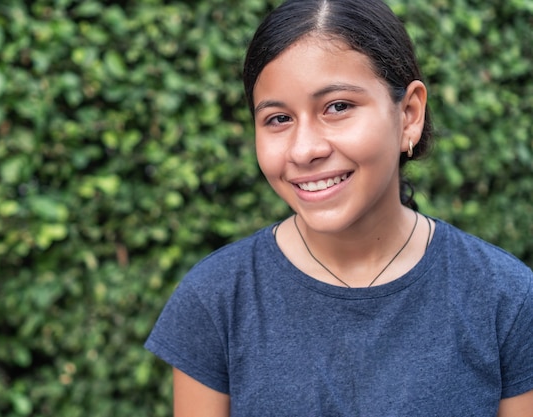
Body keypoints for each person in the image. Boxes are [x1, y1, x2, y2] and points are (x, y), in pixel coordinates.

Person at [145, 0, 533, 415]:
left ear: (409, 114)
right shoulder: (216, 299)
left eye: (338, 107)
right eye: (278, 118)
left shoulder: (506, 299)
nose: (305, 149)